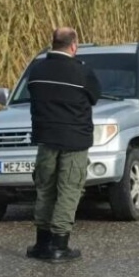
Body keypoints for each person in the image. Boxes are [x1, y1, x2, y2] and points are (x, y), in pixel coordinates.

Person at [25, 27, 101, 263]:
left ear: (52, 43)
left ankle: (41, 242)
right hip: (74, 140)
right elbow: (95, 96)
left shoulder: (36, 70)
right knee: (69, 189)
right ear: (74, 45)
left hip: (46, 139)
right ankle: (59, 245)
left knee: (45, 188)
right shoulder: (81, 72)